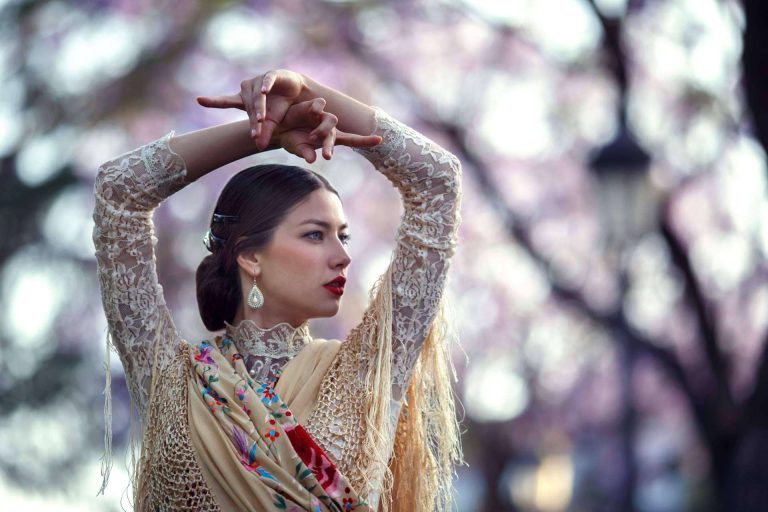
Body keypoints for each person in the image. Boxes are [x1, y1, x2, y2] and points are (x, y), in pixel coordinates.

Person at [92, 69, 463, 511]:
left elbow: (438, 181)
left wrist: (307, 90)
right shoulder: (171, 379)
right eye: (315, 235)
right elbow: (118, 191)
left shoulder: (367, 371)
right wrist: (263, 132)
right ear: (250, 256)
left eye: (343, 236)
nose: (342, 256)